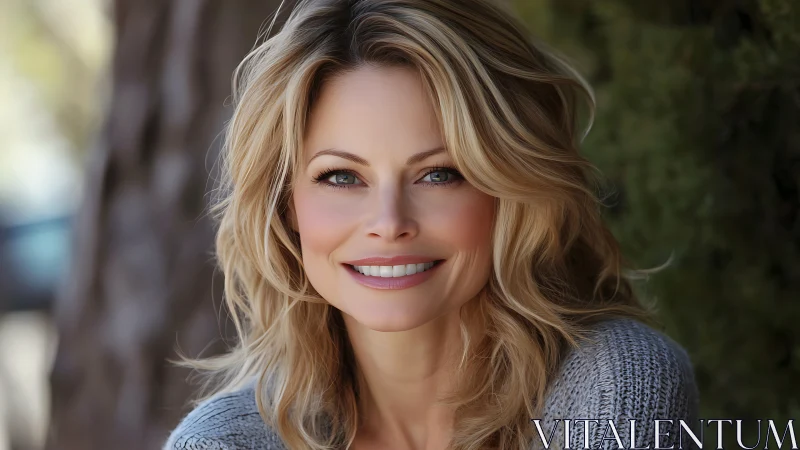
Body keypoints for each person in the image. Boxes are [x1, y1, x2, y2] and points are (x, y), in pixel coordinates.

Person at [164, 0, 699, 449]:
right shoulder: (221, 442)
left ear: (509, 191)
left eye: (439, 173)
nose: (389, 222)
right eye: (342, 177)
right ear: (286, 206)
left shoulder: (615, 386)